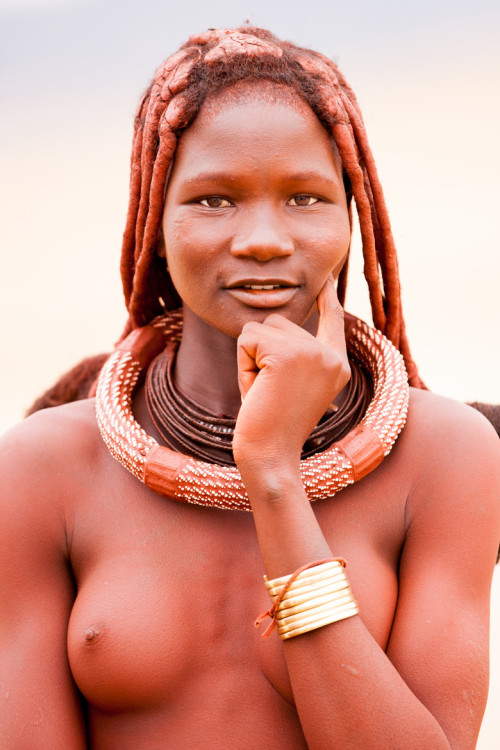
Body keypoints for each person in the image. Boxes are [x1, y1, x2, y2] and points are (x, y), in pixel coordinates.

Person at [1, 27, 499, 750]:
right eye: (212, 200)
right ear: (156, 228)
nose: (263, 238)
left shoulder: (446, 457)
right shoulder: (42, 470)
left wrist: (272, 475)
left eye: (305, 198)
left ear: (351, 218)